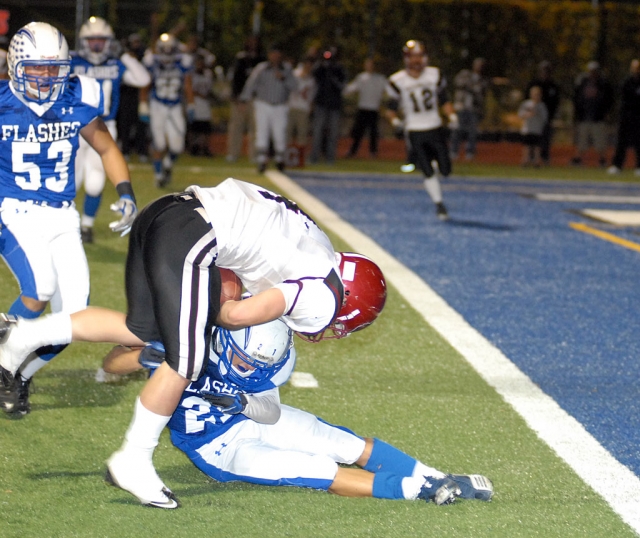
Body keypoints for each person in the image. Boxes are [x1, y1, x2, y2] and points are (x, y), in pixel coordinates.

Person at [0, 177, 387, 508]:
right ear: (346, 302)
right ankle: (132, 461)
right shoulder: (325, 297)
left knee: (141, 330)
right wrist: (208, 317)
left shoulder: (317, 245)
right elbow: (234, 316)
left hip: (168, 210)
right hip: (193, 236)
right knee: (187, 359)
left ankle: (24, 335)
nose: (330, 326)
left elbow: (242, 253)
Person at [99, 316, 494, 507]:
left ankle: (435, 475)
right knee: (315, 470)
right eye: (244, 363)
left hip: (249, 417)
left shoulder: (263, 360)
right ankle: (418, 490)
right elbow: (111, 363)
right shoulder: (192, 343)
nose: (250, 370)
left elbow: (268, 412)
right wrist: (147, 355)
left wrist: (242, 402)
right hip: (216, 449)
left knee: (338, 441)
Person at [0, 22, 138, 416]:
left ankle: (17, 371)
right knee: (39, 287)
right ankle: (6, 360)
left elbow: (107, 147)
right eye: (37, 69)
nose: (45, 78)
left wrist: (125, 191)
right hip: (13, 210)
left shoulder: (77, 95)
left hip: (62, 215)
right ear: (16, 65)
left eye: (54, 69)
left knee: (74, 318)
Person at [72, 17, 150, 244]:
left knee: (95, 182)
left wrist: (124, 54)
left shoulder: (115, 63)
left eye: (101, 40)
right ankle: (67, 225)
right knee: (71, 181)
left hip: (105, 127)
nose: (96, 45)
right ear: (83, 42)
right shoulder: (71, 61)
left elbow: (143, 78)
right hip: (75, 126)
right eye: (92, 40)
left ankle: (86, 226)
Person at [386, 40, 457, 221]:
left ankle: (434, 164)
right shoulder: (397, 80)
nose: (417, 61)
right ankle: (439, 205)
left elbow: (444, 100)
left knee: (446, 170)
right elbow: (390, 108)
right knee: (427, 170)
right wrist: (394, 120)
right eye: (413, 57)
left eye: (420, 56)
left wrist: (452, 115)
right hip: (415, 129)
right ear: (407, 59)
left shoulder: (434, 74)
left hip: (434, 126)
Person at [141, 33, 194, 187]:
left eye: (170, 49)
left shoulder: (182, 62)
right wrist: (143, 104)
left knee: (177, 146)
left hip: (176, 106)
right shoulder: (152, 61)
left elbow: (187, 84)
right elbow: (145, 82)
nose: (167, 52)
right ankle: (158, 175)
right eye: (164, 49)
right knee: (159, 143)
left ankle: (168, 164)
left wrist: (191, 104)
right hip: (158, 105)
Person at [239, 43, 297, 173]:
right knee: (262, 132)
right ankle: (261, 161)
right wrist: (244, 99)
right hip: (263, 104)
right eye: (273, 53)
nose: (275, 56)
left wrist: (284, 79)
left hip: (280, 105)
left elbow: (294, 86)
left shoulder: (286, 69)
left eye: (277, 53)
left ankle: (279, 161)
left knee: (279, 133)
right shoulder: (262, 68)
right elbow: (251, 84)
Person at [225, 36, 264, 163]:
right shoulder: (241, 59)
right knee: (236, 128)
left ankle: (254, 155)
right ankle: (233, 153)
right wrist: (237, 98)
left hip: (255, 99)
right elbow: (235, 79)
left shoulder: (261, 60)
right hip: (240, 99)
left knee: (255, 129)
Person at [571, 61, 614, 167]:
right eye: (591, 71)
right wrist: (577, 114)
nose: (592, 73)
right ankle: (578, 159)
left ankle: (602, 159)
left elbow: (609, 100)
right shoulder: (582, 82)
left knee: (600, 141)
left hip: (597, 117)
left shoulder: (603, 83)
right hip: (584, 117)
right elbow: (577, 99)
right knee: (582, 140)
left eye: (594, 71)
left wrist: (605, 112)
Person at [343, 58, 388, 159]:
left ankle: (373, 152)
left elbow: (388, 90)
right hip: (363, 108)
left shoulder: (380, 79)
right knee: (358, 132)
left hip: (374, 109)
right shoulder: (361, 77)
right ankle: (353, 151)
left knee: (373, 132)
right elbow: (351, 88)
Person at [309, 47, 347, 164]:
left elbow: (342, 86)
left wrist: (333, 76)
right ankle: (314, 157)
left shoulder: (339, 69)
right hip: (321, 103)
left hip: (334, 105)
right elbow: (314, 76)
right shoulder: (320, 67)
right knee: (317, 131)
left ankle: (330, 157)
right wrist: (321, 65)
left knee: (333, 133)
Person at [117, 33, 150, 164]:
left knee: (141, 125)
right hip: (126, 94)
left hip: (139, 95)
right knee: (125, 124)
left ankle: (142, 151)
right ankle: (125, 151)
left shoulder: (143, 56)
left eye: (138, 42)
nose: (136, 45)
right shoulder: (124, 57)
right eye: (134, 42)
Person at [607, 59, 640, 176]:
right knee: (622, 142)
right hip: (626, 116)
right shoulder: (627, 82)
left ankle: (638, 166)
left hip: (638, 117)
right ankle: (617, 165)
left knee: (638, 141)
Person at [525, 61, 560, 165]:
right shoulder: (534, 84)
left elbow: (556, 103)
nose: (545, 73)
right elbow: (526, 101)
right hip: (532, 119)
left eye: (547, 71)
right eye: (543, 70)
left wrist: (551, 117)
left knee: (544, 139)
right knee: (531, 140)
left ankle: (544, 158)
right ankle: (530, 159)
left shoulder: (553, 86)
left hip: (546, 118)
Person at [187, 53, 214, 157]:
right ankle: (193, 148)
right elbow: (189, 89)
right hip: (195, 103)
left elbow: (209, 88)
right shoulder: (191, 74)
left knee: (205, 128)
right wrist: (198, 94)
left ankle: (205, 148)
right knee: (194, 128)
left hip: (205, 103)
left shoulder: (208, 73)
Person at [287, 56, 315, 148]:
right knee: (287, 132)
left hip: (303, 108)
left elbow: (312, 95)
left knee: (302, 133)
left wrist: (310, 106)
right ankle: (286, 155)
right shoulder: (295, 74)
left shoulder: (312, 79)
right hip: (291, 106)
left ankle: (300, 156)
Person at [518, 86, 548, 167]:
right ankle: (525, 160)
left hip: (537, 129)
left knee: (537, 147)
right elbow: (520, 114)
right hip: (528, 129)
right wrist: (528, 114)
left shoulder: (542, 106)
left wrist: (537, 114)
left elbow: (545, 118)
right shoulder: (526, 104)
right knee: (527, 146)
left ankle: (536, 161)